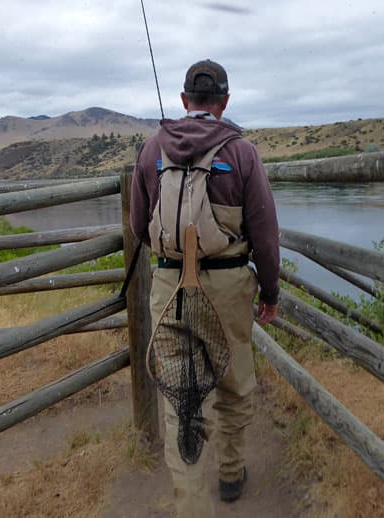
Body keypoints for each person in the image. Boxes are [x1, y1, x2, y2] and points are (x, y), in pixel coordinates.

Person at [130, 59, 280, 517]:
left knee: (181, 402)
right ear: (224, 102)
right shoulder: (242, 153)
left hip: (169, 286)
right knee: (233, 383)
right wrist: (270, 292)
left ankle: (192, 507)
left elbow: (138, 226)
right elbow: (265, 233)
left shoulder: (152, 148)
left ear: (183, 101)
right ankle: (231, 474)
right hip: (228, 289)